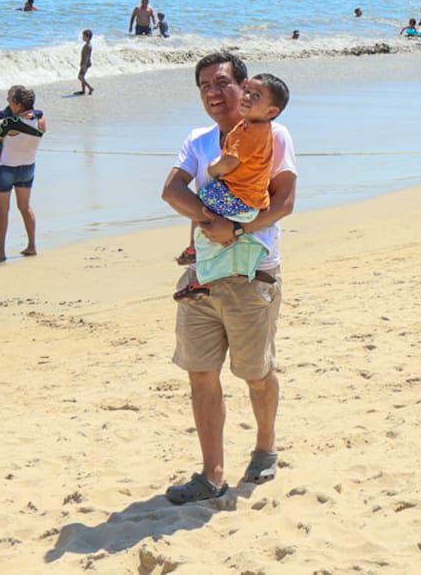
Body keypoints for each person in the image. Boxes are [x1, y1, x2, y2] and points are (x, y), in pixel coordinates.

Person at [160, 52, 298, 504]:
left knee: (256, 373)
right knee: (201, 374)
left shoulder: (274, 135)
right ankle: (211, 475)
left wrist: (235, 229)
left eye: (222, 83)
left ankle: (264, 446)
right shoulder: (198, 141)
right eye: (204, 86)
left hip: (252, 275)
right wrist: (206, 219)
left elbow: (283, 204)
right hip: (201, 275)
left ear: (246, 88)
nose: (213, 94)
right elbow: (171, 190)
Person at [174, 73, 289, 302]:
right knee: (207, 208)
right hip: (249, 198)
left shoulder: (254, 133)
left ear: (271, 112)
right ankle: (198, 254)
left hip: (241, 199)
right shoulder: (252, 128)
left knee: (205, 200)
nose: (247, 98)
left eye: (256, 96)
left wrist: (213, 169)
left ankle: (198, 267)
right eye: (248, 92)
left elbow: (229, 162)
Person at [0, 85, 45, 261]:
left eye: (10, 99)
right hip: (27, 167)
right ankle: (32, 245)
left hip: (7, 168)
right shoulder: (41, 120)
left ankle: (1, 251)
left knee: (3, 211)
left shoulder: (10, 123)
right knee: (25, 207)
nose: (7, 102)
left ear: (18, 104)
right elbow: (39, 113)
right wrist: (34, 114)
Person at [78, 29, 95, 95]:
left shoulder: (88, 46)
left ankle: (90, 88)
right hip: (84, 63)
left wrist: (84, 65)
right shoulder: (87, 45)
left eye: (83, 36)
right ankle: (83, 90)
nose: (82, 37)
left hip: (85, 64)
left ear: (87, 37)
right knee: (82, 77)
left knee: (80, 77)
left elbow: (87, 56)